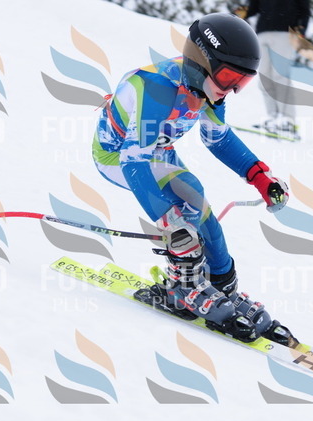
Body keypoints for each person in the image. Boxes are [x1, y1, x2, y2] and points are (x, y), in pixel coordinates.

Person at [92, 13, 297, 346]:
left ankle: (222, 286)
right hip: (118, 155)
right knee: (182, 219)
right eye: (228, 77)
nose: (231, 89)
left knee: (199, 205)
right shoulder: (155, 88)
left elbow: (218, 139)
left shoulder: (209, 89)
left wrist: (260, 176)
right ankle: (182, 287)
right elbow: (133, 160)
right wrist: (168, 221)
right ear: (201, 63)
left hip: (157, 152)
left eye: (241, 82)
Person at [236, 0, 311, 137]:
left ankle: (288, 121)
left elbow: (304, 9)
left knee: (280, 76)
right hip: (262, 32)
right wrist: (243, 11)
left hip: (285, 32)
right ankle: (272, 117)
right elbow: (253, 6)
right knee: (264, 77)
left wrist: (302, 28)